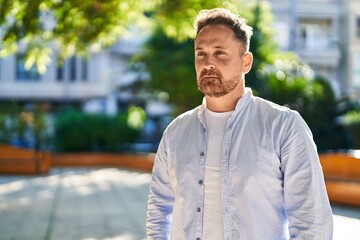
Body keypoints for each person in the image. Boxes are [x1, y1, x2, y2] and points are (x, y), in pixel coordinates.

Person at [146, 8, 333, 240]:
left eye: (220, 53)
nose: (208, 63)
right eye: (200, 54)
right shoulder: (175, 132)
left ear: (246, 62)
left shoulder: (283, 126)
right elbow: (158, 211)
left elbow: (311, 221)